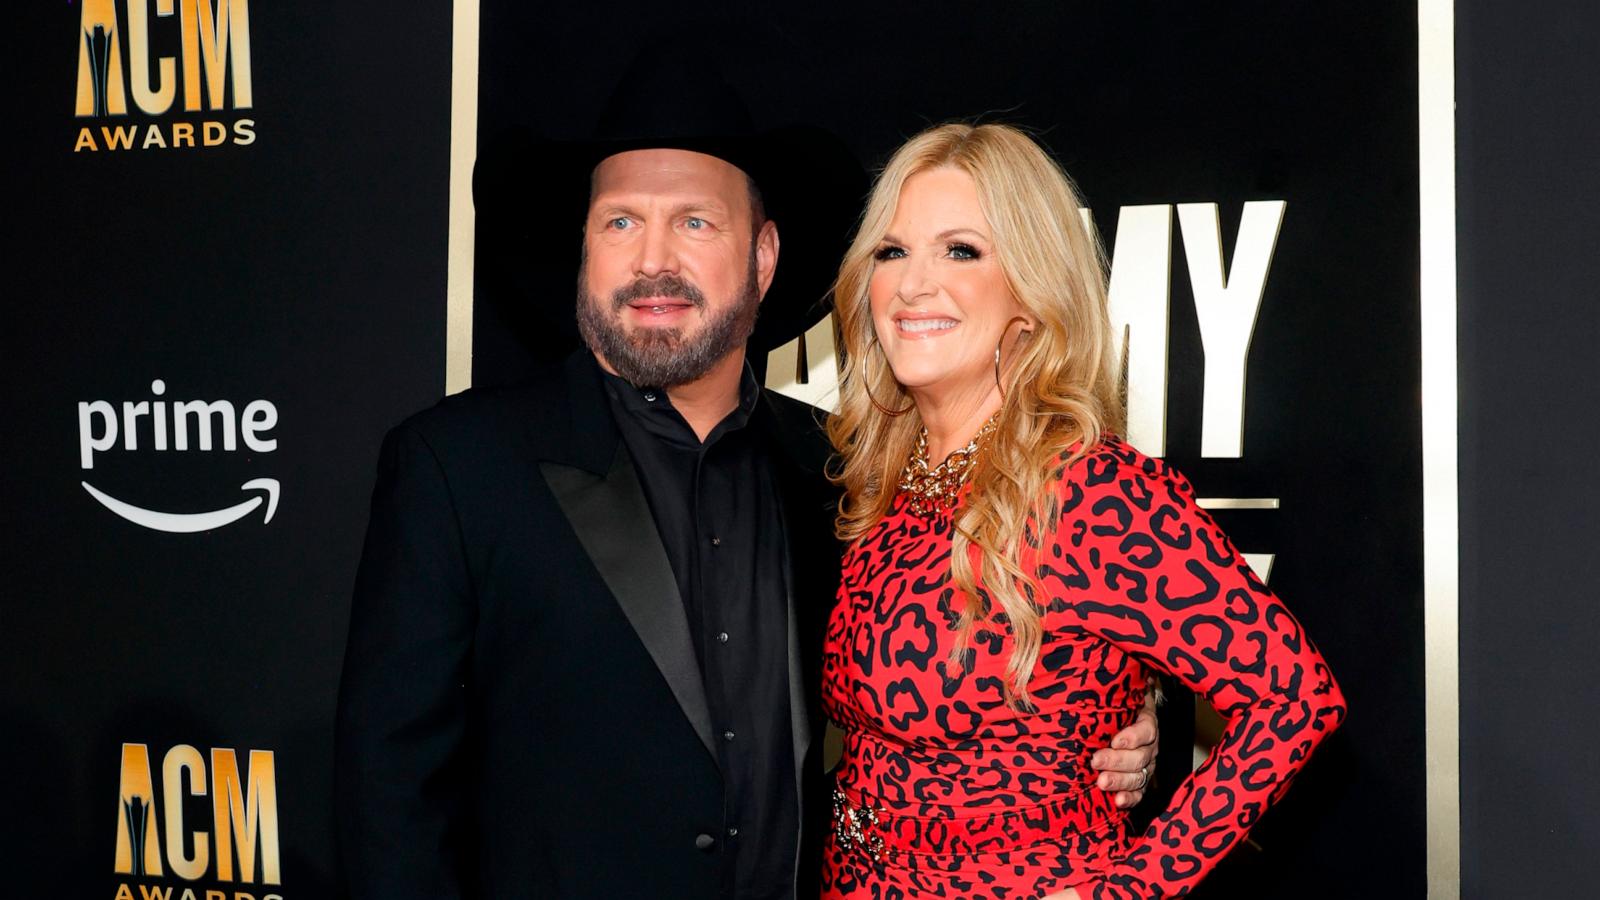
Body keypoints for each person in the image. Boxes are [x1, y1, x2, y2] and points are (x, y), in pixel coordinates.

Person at [334, 53, 1161, 898]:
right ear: (582, 248)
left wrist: (1116, 722)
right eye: (619, 223)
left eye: (695, 223)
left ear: (764, 255)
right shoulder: (458, 466)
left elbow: (961, 680)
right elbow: (390, 806)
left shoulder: (845, 475)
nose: (652, 259)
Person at [820, 122, 1346, 899]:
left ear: (1030, 297)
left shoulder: (1094, 492)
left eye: (960, 250)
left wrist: (1128, 889)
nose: (912, 283)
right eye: (892, 251)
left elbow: (1294, 697)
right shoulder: (884, 487)